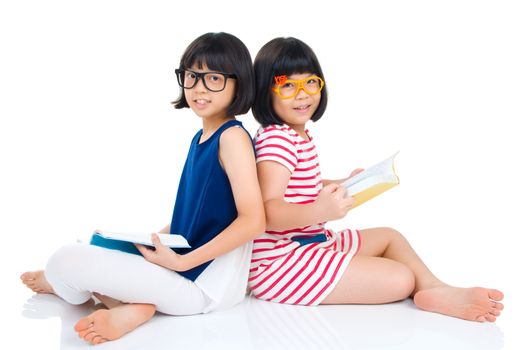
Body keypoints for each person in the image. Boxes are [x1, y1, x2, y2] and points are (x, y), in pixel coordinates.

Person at [21, 32, 265, 345]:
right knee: (96, 245)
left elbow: (253, 220)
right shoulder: (202, 137)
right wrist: (152, 242)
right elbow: (195, 219)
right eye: (191, 76)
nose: (199, 88)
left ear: (239, 83)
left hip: (202, 286)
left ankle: (68, 287)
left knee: (63, 260)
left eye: (213, 78)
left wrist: (181, 262)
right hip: (183, 271)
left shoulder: (232, 138)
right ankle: (125, 304)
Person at [248, 36, 503, 322]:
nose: (302, 94)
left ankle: (436, 289)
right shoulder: (277, 139)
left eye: (310, 82)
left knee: (390, 238)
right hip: (280, 263)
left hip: (311, 242)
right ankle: (422, 288)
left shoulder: (296, 134)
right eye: (287, 85)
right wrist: (319, 211)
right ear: (265, 92)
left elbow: (299, 187)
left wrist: (340, 184)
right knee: (401, 279)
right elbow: (268, 211)